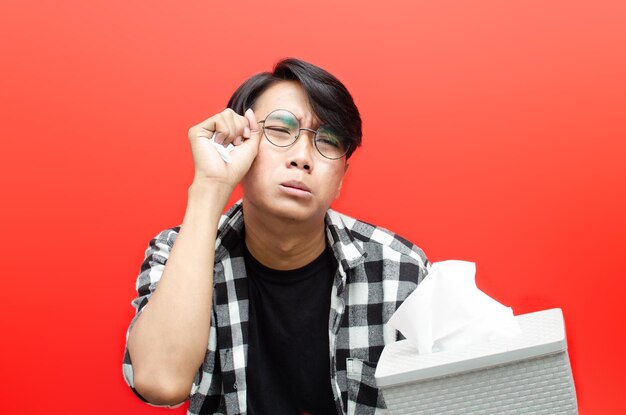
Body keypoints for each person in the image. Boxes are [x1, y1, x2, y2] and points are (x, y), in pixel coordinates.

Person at [122, 58, 429, 415]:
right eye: (281, 130)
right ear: (239, 142)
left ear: (342, 175)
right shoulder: (177, 253)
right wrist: (211, 187)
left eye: (327, 140)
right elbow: (161, 382)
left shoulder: (398, 269)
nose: (302, 157)